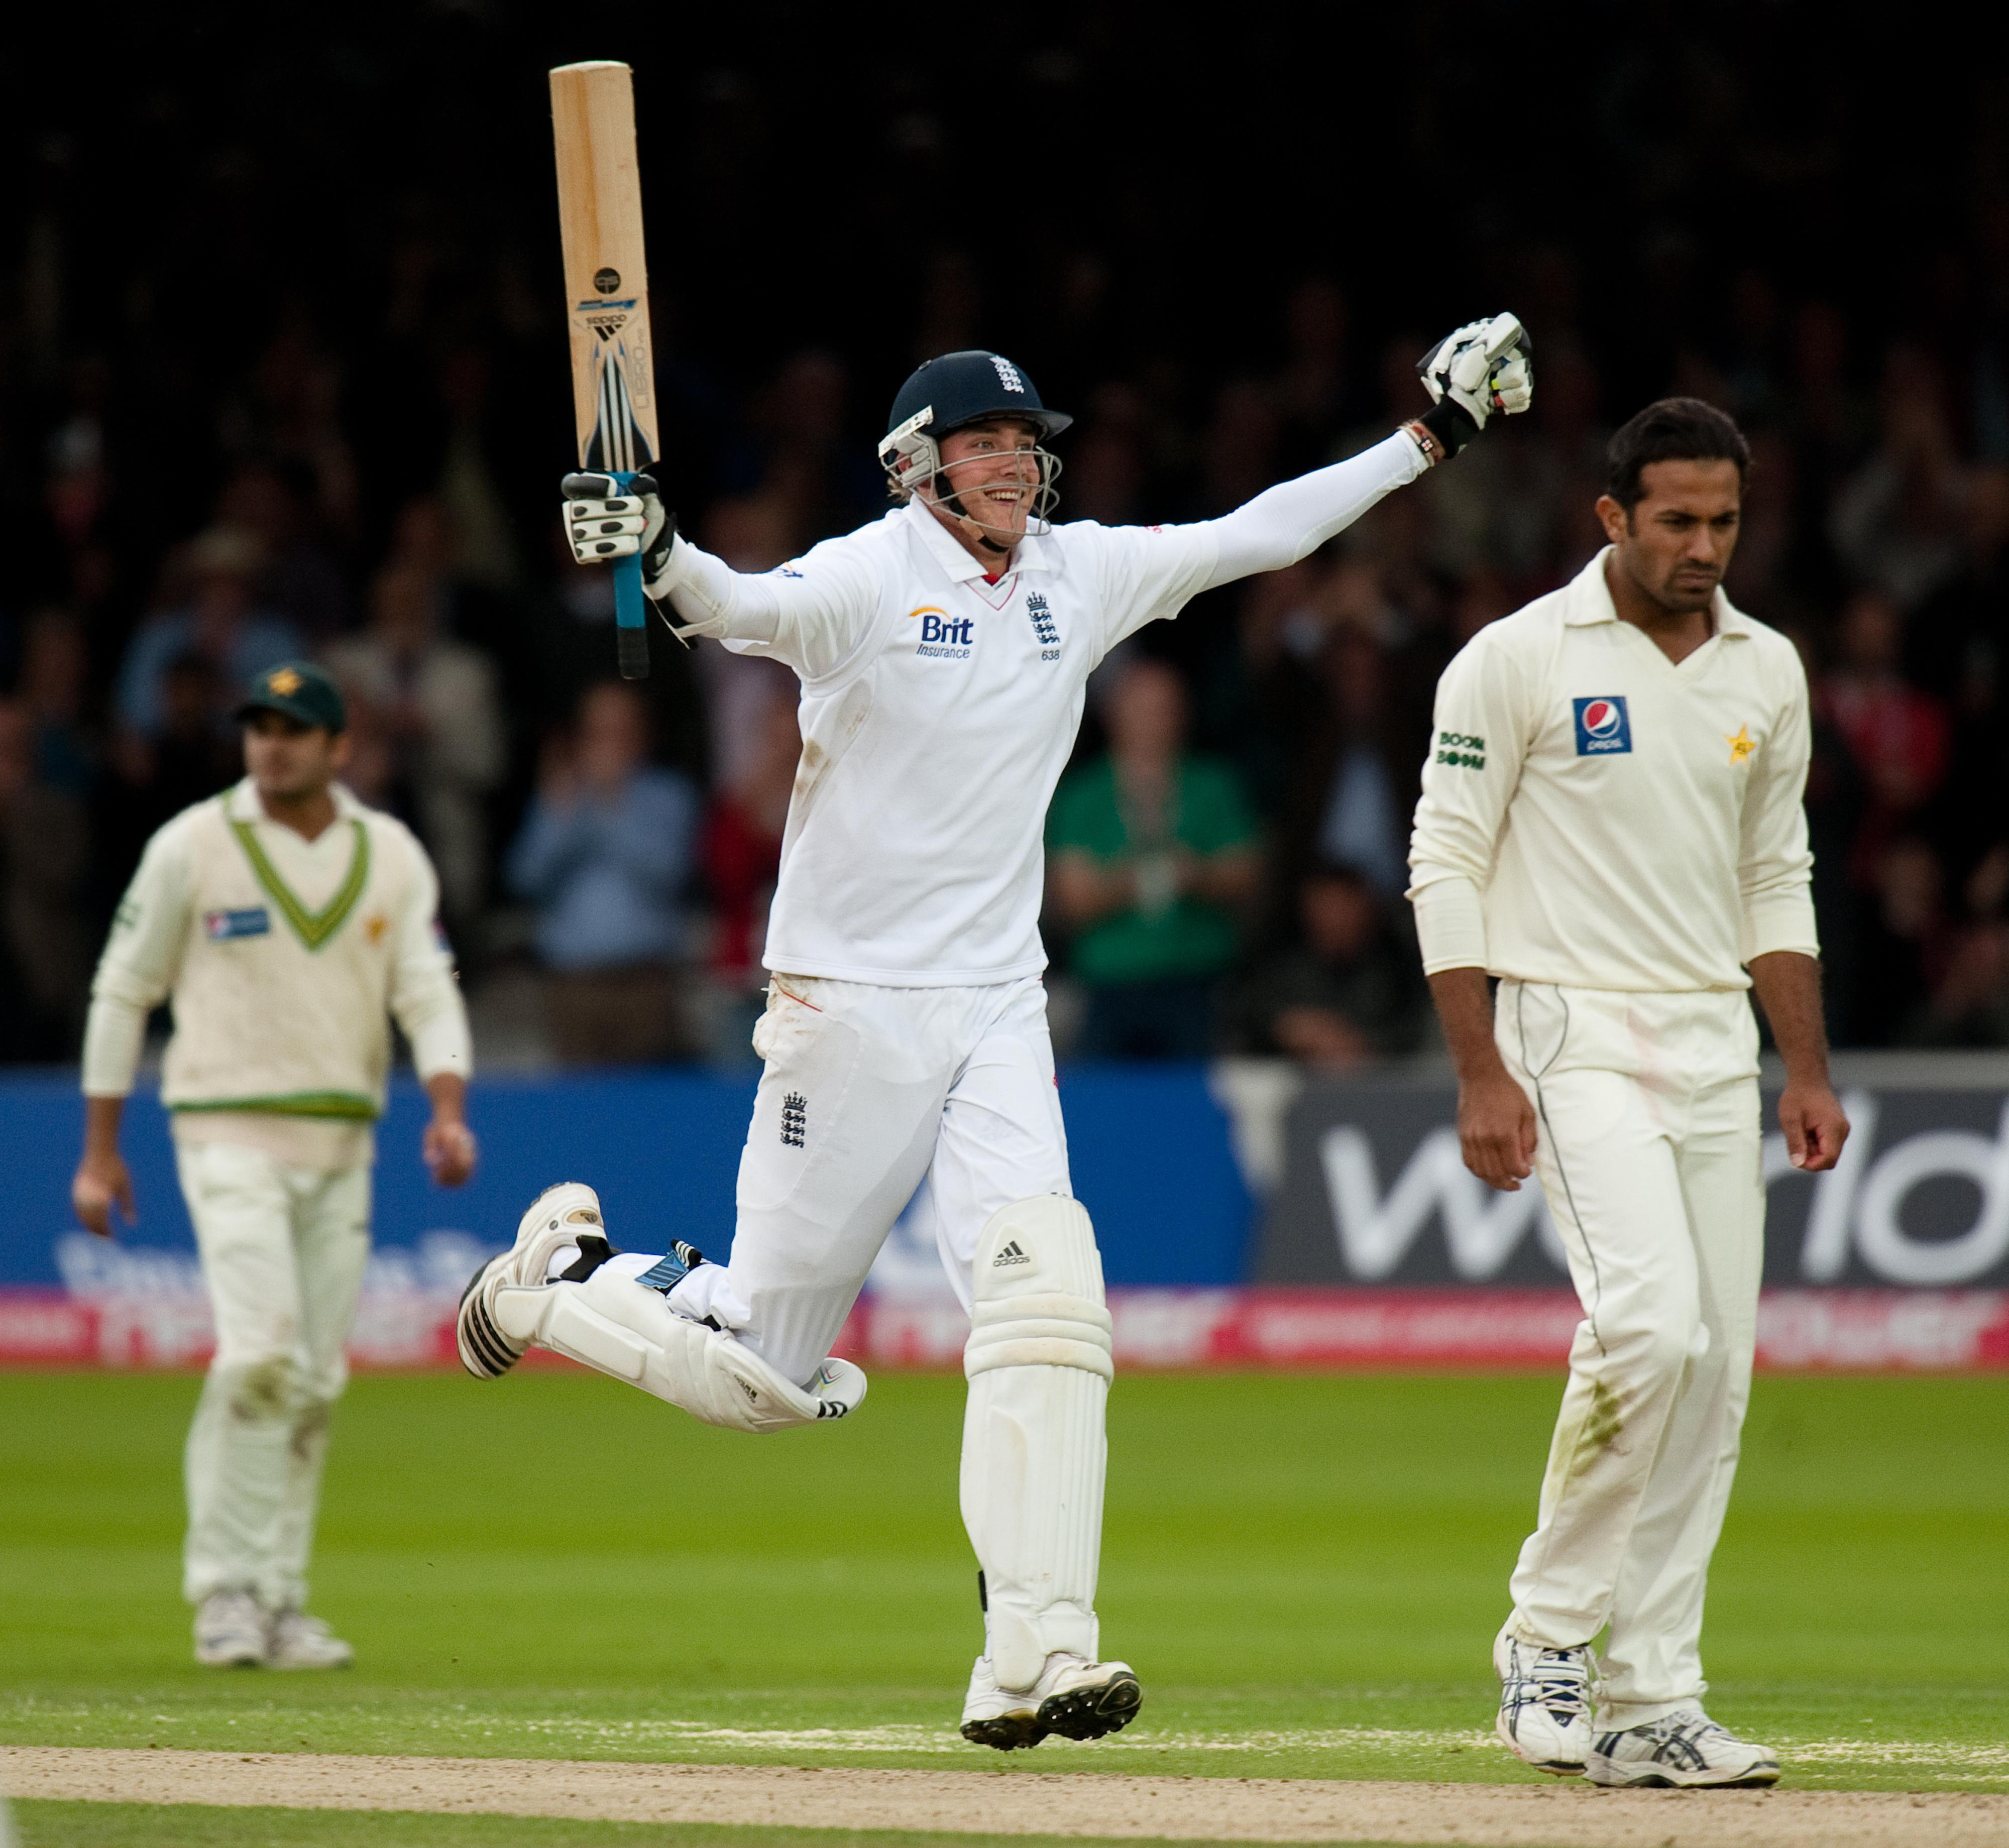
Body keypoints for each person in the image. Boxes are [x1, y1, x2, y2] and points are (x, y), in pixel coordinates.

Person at [460, 321, 1532, 1748]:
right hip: (845, 1005)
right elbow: (729, 605)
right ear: (919, 464)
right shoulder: (867, 574)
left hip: (996, 1005)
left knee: (1050, 1299)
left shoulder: (1074, 578)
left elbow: (1256, 535)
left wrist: (1429, 439)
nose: (1015, 464)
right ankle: (558, 1279)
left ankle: (1035, 1652)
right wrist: (654, 550)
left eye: (1027, 443)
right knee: (767, 1375)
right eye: (984, 445)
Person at [1407, 399, 1848, 1788]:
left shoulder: (1766, 671)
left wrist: (1807, 1065)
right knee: (1649, 1328)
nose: (1704, 546)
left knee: (1714, 1372)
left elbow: (1775, 874)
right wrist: (1480, 1069)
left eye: (1723, 520)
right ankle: (1545, 1636)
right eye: (1676, 521)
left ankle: (1656, 1696)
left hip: (1715, 1040)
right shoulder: (1518, 658)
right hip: (1569, 1028)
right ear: (1612, 518)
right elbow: (1446, 861)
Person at [71, 662, 477, 1669]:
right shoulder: (193, 844)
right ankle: (225, 1594)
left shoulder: (386, 853)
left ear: (341, 747)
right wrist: (99, 1151)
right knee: (260, 1356)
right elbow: (124, 989)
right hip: (225, 1132)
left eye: (295, 729)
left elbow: (425, 987)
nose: (273, 743)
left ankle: (280, 1598)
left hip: (342, 1144)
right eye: (259, 727)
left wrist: (446, 1107)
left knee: (314, 1381)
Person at [1046, 656, 1261, 1058]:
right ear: (1113, 715)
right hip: (1109, 982)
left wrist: (1195, 876)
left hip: (1198, 979)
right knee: (1107, 1107)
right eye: (1141, 709)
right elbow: (1072, 900)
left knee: (1198, 1104)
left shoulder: (1213, 785)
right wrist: (1134, 880)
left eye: (1165, 709)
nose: (1153, 721)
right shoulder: (1082, 795)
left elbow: (1248, 877)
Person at [506, 680, 701, 1066]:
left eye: (620, 733)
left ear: (643, 736)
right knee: (580, 1113)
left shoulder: (668, 795)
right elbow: (524, 879)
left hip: (646, 983)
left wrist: (612, 806)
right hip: (572, 985)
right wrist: (562, 817)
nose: (608, 746)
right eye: (598, 734)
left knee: (649, 1109)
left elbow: (670, 876)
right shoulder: (560, 795)